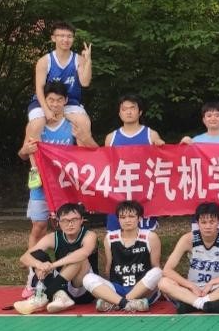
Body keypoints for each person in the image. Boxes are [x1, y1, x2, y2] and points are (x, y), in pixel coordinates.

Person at [17, 81, 76, 297]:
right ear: (44, 101)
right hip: (41, 184)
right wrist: (26, 149)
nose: (55, 104)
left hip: (65, 185)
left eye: (59, 100)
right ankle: (33, 275)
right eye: (51, 100)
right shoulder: (36, 124)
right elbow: (22, 154)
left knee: (68, 228)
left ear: (65, 101)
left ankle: (66, 277)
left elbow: (86, 152)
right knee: (39, 226)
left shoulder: (72, 124)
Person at [158, 202, 219, 314]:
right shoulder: (188, 239)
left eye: (212, 222)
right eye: (203, 222)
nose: (208, 226)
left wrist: (213, 282)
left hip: (218, 289)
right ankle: (204, 304)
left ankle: (195, 304)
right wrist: (190, 285)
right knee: (163, 283)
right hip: (192, 289)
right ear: (197, 222)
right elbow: (167, 270)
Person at [13, 202, 98, 314]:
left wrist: (52, 266)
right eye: (65, 220)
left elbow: (84, 253)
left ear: (82, 220)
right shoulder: (54, 237)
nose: (70, 224)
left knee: (78, 258)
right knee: (37, 255)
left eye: (74, 220)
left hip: (83, 290)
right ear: (58, 222)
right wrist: (40, 265)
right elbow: (24, 257)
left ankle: (42, 298)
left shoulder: (89, 235)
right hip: (62, 284)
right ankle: (60, 296)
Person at [23, 21, 96, 149]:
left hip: (69, 102)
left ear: (73, 38)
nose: (65, 39)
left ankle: (81, 160)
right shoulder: (44, 61)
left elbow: (85, 83)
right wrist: (46, 110)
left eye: (69, 36)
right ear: (53, 38)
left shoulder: (78, 60)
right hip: (44, 102)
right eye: (61, 36)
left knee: (83, 123)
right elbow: (39, 88)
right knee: (36, 125)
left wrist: (88, 61)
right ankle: (36, 162)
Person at [81, 200, 162, 312]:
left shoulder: (150, 237)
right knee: (88, 278)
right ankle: (126, 303)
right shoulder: (110, 238)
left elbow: (155, 266)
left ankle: (116, 303)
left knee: (158, 272)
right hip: (118, 288)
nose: (127, 220)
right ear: (118, 219)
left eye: (131, 216)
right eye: (123, 217)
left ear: (139, 218)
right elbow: (108, 268)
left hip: (142, 288)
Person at [105, 94, 164, 232]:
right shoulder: (111, 137)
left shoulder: (151, 135)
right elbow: (106, 165)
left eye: (132, 108)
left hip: (143, 192)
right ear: (119, 113)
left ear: (140, 111)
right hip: (119, 191)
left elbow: (163, 161)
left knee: (145, 237)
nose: (129, 112)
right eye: (124, 109)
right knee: (116, 236)